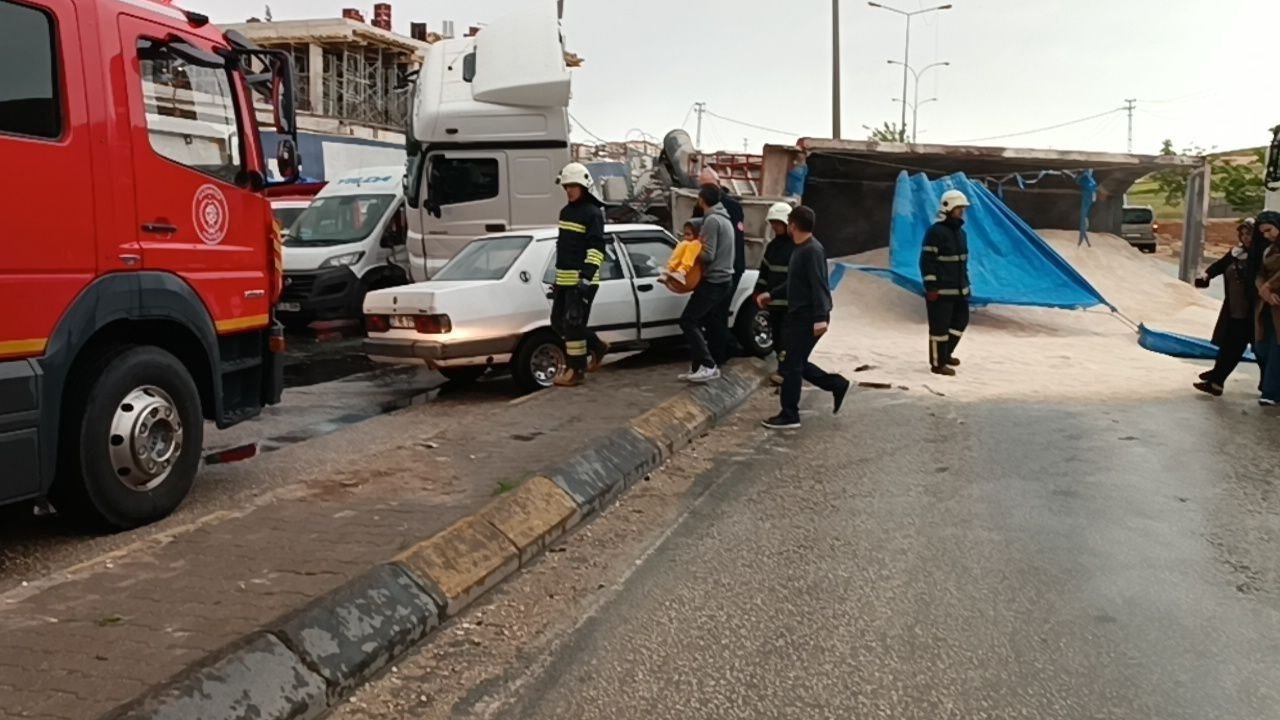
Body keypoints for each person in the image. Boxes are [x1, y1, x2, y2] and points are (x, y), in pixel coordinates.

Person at [757, 206, 850, 430]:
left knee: (791, 365)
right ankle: (836, 384)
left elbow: (819, 284)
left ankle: (790, 414)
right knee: (795, 362)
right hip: (798, 315)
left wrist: (820, 317)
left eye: (789, 223)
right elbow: (794, 282)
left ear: (793, 225)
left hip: (808, 317)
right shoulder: (800, 249)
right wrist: (773, 293)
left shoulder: (812, 251)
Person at [549, 162, 607, 387]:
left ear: (584, 186)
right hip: (564, 278)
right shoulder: (565, 212)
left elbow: (597, 248)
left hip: (583, 280)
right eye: (566, 187)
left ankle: (576, 370)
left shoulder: (592, 213)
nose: (569, 191)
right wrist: (556, 279)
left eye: (573, 186)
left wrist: (586, 276)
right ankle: (598, 346)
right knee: (558, 323)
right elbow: (564, 247)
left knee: (573, 324)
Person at [1194, 218, 1260, 396]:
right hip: (1234, 311)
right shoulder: (1235, 253)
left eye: (1250, 234)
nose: (1246, 238)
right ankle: (1216, 380)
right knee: (1231, 347)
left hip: (1257, 314)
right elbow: (1218, 267)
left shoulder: (1263, 255)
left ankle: (1269, 387)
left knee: (1261, 352)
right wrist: (1206, 275)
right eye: (1243, 234)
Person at [679, 185, 735, 383]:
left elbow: (708, 255)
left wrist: (689, 249)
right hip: (723, 280)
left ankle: (709, 365)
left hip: (714, 281)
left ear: (701, 200)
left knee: (688, 320)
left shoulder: (712, 221)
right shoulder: (724, 218)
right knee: (701, 322)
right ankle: (698, 367)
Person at [692, 168, 747, 364]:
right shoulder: (701, 206)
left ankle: (719, 355)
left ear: (717, 183)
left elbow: (734, 241)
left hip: (727, 267)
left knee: (718, 313)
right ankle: (726, 348)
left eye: (708, 185)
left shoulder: (730, 206)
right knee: (710, 314)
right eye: (702, 186)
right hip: (711, 268)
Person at [920, 189, 972, 376]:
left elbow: (962, 263)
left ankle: (945, 353)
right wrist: (931, 287)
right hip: (940, 293)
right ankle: (937, 363)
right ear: (948, 207)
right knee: (939, 329)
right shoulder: (935, 232)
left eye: (963, 208)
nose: (962, 211)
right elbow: (927, 262)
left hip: (959, 291)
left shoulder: (961, 234)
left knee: (960, 322)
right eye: (959, 208)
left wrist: (966, 285)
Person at [756, 202, 796, 385]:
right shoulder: (773, 246)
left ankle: (786, 371)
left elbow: (796, 280)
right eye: (773, 223)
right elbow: (764, 272)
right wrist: (758, 291)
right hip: (773, 303)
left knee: (787, 339)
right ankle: (784, 369)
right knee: (778, 338)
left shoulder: (797, 247)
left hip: (789, 303)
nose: (774, 227)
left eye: (777, 223)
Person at [1251, 211, 1280, 406]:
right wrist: (1263, 289)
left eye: (1269, 230)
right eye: (1263, 232)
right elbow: (1259, 273)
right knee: (1262, 347)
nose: (1267, 235)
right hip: (1267, 305)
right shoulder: (1268, 250)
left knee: (1277, 348)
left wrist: (1269, 286)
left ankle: (1270, 392)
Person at [662, 219, 704, 294]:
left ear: (697, 234)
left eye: (688, 234)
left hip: (689, 278)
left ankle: (680, 271)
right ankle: (669, 270)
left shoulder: (696, 244)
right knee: (683, 244)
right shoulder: (685, 244)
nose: (686, 237)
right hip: (681, 278)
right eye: (684, 234)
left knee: (693, 243)